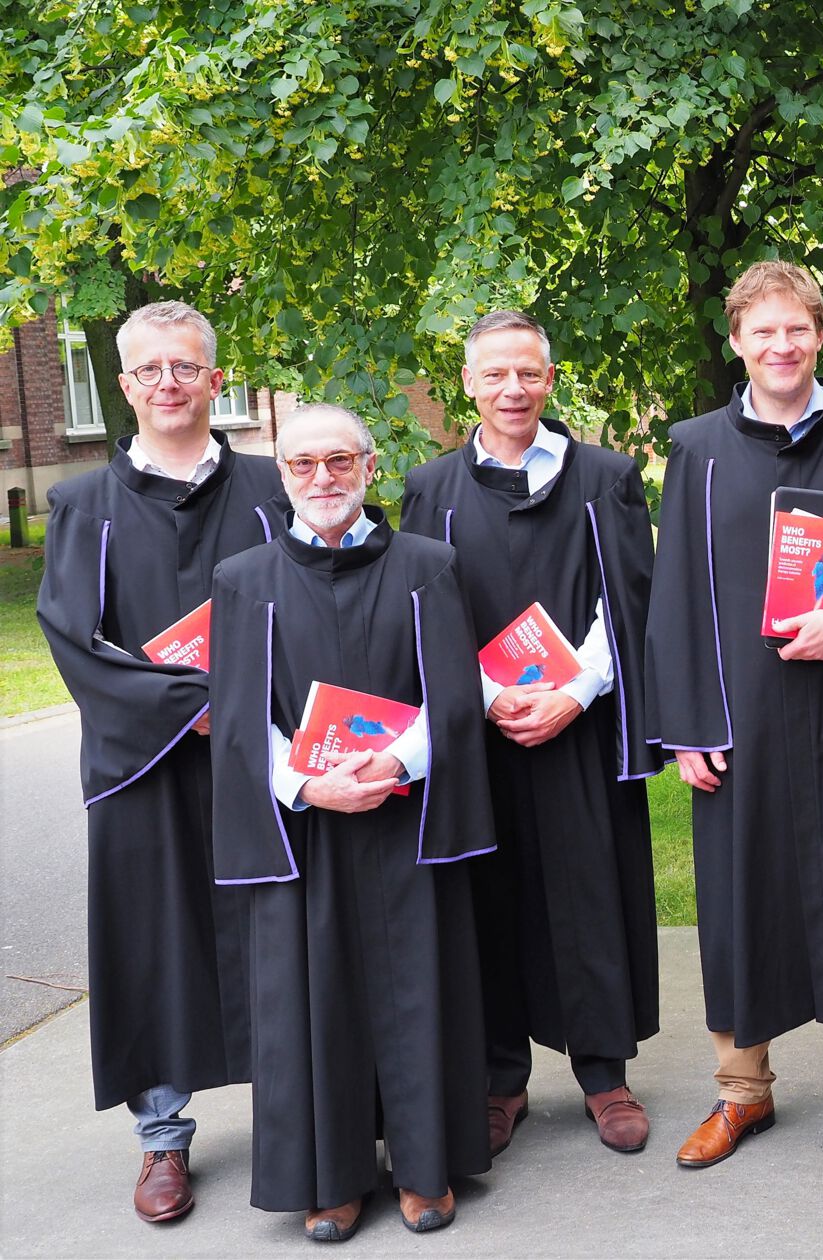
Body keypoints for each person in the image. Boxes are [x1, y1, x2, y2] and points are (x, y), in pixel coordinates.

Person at [645, 261, 823, 1168]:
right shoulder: (696, 447)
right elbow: (678, 595)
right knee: (742, 895)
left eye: (796, 329)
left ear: (819, 334)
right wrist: (688, 722)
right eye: (762, 332)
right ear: (738, 341)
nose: (781, 346)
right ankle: (741, 1094)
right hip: (746, 714)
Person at [208, 404, 494, 1241]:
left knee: (415, 989)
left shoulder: (428, 566)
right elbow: (237, 720)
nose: (323, 478)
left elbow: (451, 694)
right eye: (303, 465)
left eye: (340, 461)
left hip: (406, 819)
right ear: (281, 475)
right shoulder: (243, 579)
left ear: (370, 467)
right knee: (315, 997)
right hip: (307, 831)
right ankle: (329, 1177)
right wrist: (303, 787)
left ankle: (422, 1167)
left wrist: (398, 763)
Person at [36, 300, 281, 1223]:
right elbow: (73, 640)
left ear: (218, 380)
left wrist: (252, 710)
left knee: (281, 923)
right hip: (141, 767)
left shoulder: (271, 487)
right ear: (125, 384)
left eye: (187, 367)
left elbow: (314, 609)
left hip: (263, 755)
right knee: (154, 942)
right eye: (149, 371)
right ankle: (163, 1138)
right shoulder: (81, 505)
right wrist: (199, 705)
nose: (169, 384)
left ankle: (307, 1106)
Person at [401, 311, 661, 1158]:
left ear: (551, 379)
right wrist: (479, 694)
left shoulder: (606, 477)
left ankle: (603, 1072)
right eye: (496, 375)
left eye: (530, 373)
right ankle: (498, 1078)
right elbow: (420, 613)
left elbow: (626, 600)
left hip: (575, 728)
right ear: (468, 382)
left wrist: (577, 691)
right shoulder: (429, 490)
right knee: (490, 899)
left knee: (588, 893)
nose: (514, 389)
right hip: (476, 738)